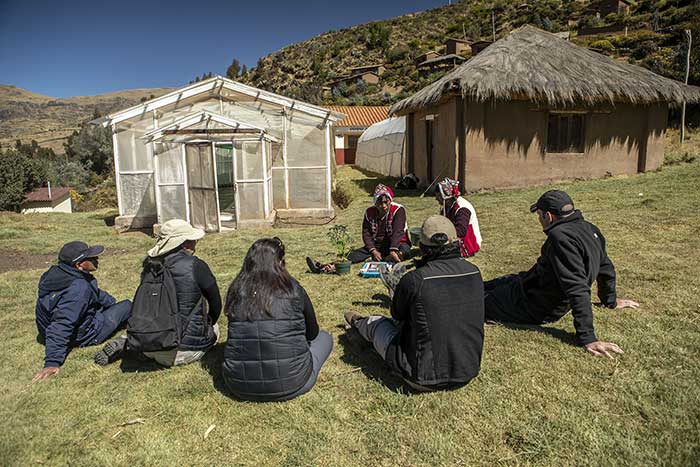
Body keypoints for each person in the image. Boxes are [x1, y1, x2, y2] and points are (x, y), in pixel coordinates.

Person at [483, 190, 639, 358]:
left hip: (533, 306)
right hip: (529, 283)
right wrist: (610, 301)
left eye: (540, 215)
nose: (539, 219)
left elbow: (577, 287)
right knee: (488, 284)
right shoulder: (589, 228)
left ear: (548, 216)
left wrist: (588, 337)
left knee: (475, 301)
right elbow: (606, 268)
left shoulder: (560, 238)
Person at [345, 215, 484, 392]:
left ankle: (358, 323)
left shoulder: (415, 280)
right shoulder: (474, 273)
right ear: (455, 242)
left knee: (377, 324)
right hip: (467, 371)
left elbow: (397, 316)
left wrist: (398, 288)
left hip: (420, 376)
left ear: (423, 247)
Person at [94, 219, 221, 367]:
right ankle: (134, 343)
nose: (196, 243)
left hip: (148, 345)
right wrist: (210, 321)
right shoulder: (195, 265)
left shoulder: (150, 266)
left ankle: (128, 340)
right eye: (193, 240)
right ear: (184, 243)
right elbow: (215, 301)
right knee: (216, 328)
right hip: (183, 351)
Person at [222, 238, 333, 401]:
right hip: (294, 382)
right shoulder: (293, 288)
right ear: (280, 262)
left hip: (239, 385)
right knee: (325, 337)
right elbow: (312, 333)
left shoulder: (236, 289)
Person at [33, 241, 132, 381]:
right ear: (79, 265)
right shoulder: (79, 289)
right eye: (90, 258)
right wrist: (52, 362)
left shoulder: (57, 273)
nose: (96, 259)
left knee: (112, 306)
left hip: (46, 330)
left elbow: (95, 293)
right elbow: (62, 324)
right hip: (83, 335)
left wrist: (111, 303)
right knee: (127, 305)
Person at [307, 183, 410, 273]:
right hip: (378, 245)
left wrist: (392, 250)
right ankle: (327, 266)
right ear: (375, 202)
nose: (383, 206)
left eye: (386, 202)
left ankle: (389, 259)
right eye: (380, 203)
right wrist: (373, 250)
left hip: (397, 244)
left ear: (390, 201)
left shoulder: (398, 210)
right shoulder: (370, 213)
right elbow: (366, 233)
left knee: (404, 250)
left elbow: (398, 231)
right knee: (355, 254)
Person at [435, 178, 482, 257]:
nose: (436, 198)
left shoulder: (462, 208)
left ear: (445, 195)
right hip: (454, 239)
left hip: (468, 243)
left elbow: (461, 231)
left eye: (438, 196)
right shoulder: (448, 206)